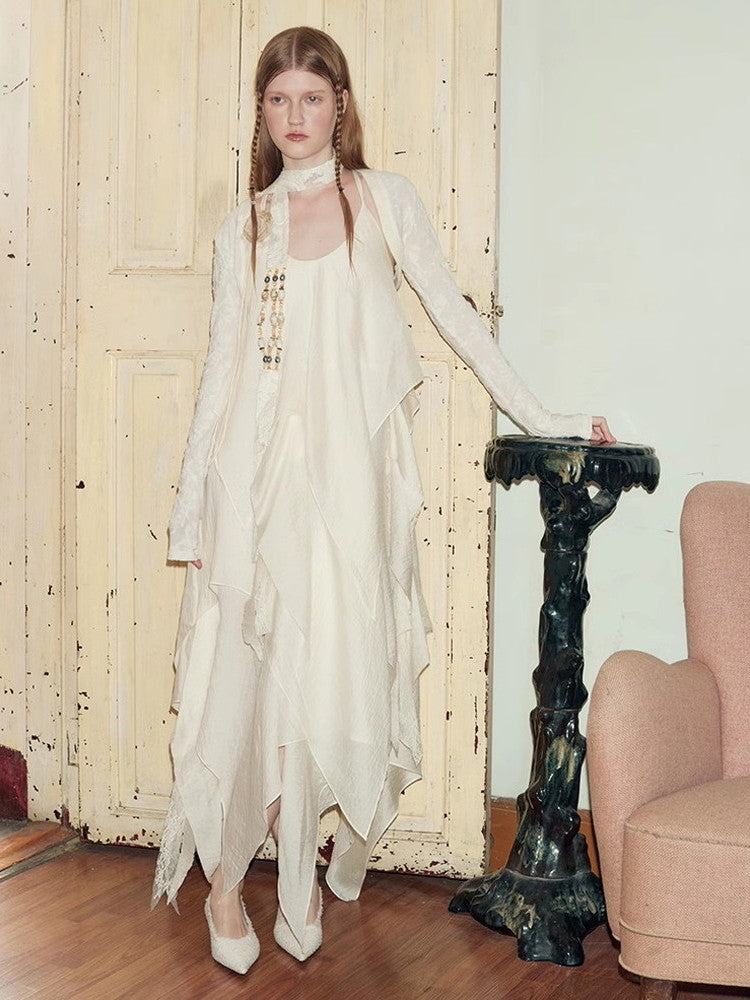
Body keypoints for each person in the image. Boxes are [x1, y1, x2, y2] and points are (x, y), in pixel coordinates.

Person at [150, 25, 615, 974]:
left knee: (329, 673)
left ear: (341, 106)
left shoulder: (385, 201)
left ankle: (304, 875)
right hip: (257, 481)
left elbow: (456, 320)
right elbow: (222, 370)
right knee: (246, 685)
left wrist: (547, 416)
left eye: (311, 98)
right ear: (261, 112)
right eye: (278, 99)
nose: (295, 116)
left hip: (349, 487)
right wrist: (194, 504)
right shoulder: (245, 227)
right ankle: (229, 886)